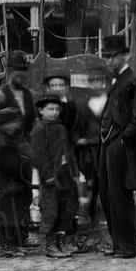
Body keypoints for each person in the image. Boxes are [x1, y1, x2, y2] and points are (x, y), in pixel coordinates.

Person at [98, 33, 136, 258]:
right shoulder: (116, 81)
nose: (109, 61)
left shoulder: (134, 81)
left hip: (121, 146)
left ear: (125, 55)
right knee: (107, 195)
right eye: (106, 57)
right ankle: (118, 244)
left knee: (120, 197)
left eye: (113, 57)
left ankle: (128, 246)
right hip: (107, 144)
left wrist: (121, 139)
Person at [44, 71, 100, 230]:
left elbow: (91, 126)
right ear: (48, 88)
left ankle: (77, 224)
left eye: (60, 85)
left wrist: (85, 139)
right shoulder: (44, 107)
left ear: (66, 87)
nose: (57, 88)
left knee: (77, 190)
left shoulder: (77, 105)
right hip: (54, 155)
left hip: (77, 153)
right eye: (53, 85)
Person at [29, 89, 79, 258]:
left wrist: (74, 171)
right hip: (50, 177)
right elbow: (38, 155)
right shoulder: (38, 130)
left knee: (66, 209)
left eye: (57, 109)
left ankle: (60, 243)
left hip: (65, 175)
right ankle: (50, 246)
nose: (54, 112)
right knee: (51, 210)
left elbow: (68, 151)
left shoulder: (61, 128)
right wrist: (47, 174)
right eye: (50, 109)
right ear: (41, 110)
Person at [0, 107, 32, 257]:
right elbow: (12, 165)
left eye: (15, 122)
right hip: (8, 185)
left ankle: (15, 242)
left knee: (16, 215)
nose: (13, 126)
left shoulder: (14, 139)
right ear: (1, 126)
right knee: (7, 217)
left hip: (16, 186)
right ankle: (6, 245)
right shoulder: (2, 144)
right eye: (9, 123)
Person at [0, 50, 37, 139]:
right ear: (9, 70)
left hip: (25, 147)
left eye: (24, 69)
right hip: (6, 147)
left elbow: (34, 122)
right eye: (17, 69)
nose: (20, 73)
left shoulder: (30, 95)